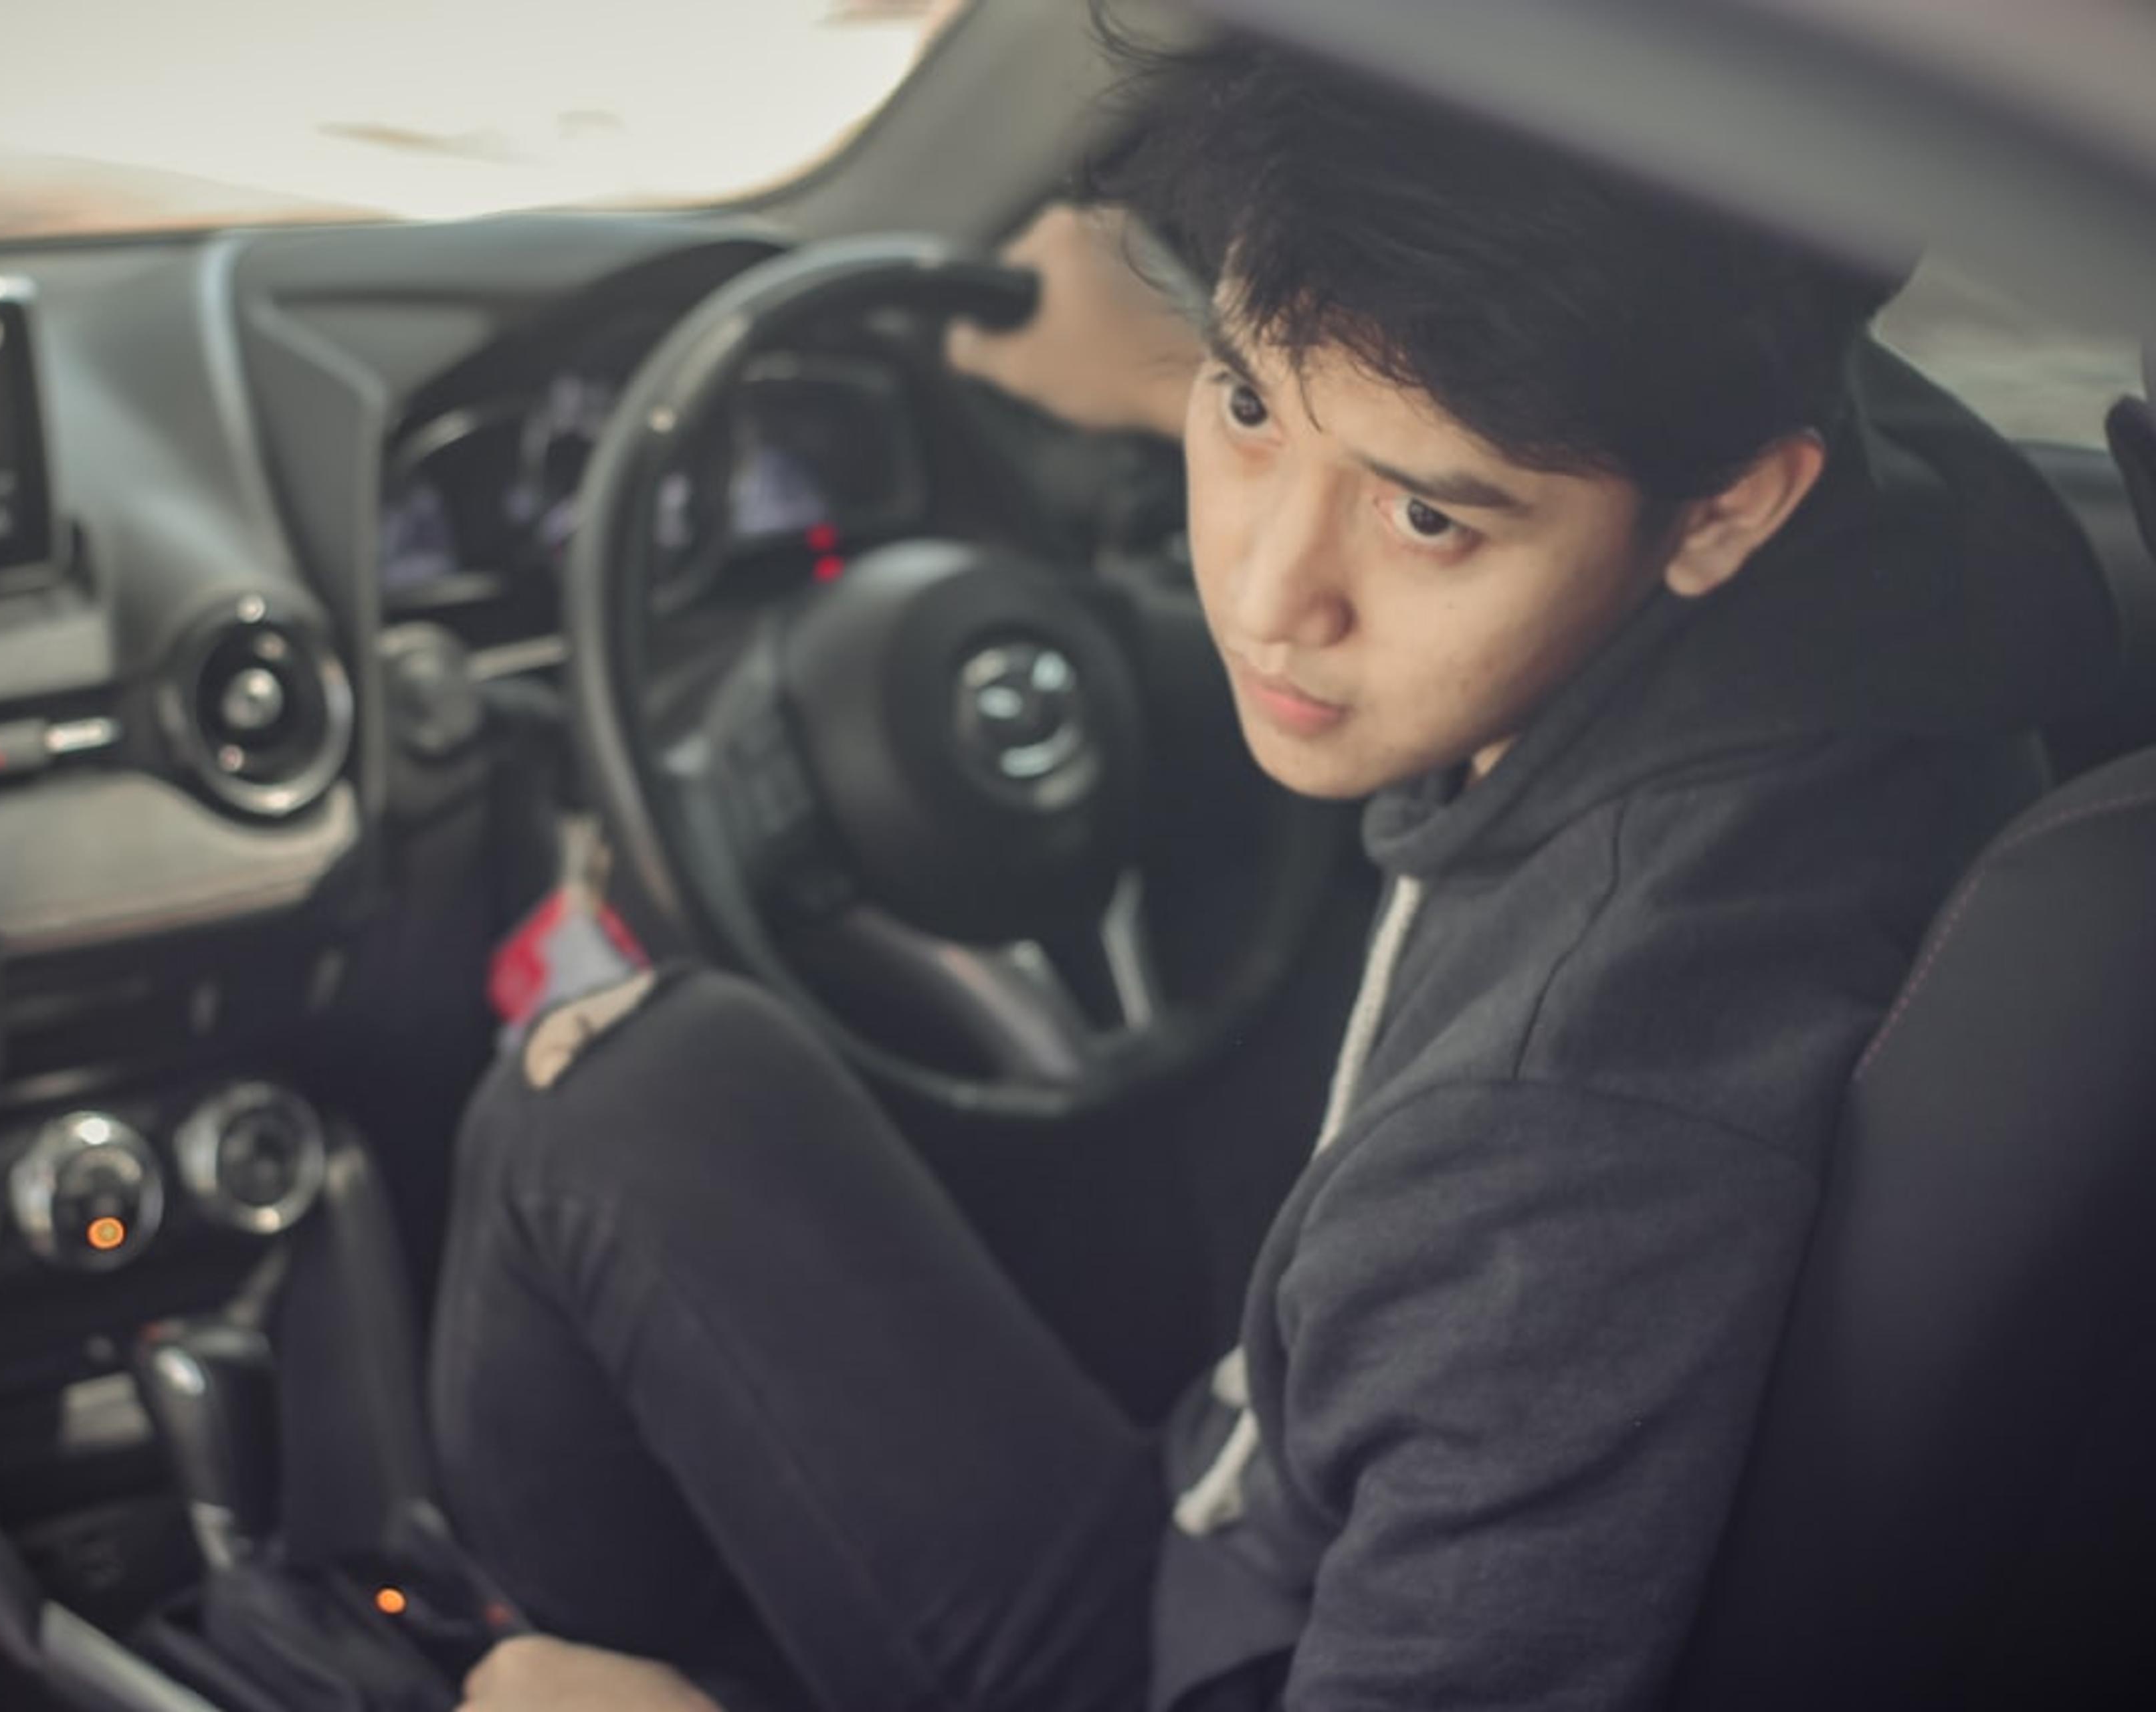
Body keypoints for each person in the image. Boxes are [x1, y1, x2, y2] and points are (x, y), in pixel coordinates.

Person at [437, 30, 2119, 1712]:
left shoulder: (1563, 1152)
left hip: (1198, 1652)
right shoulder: (1887, 563)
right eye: (1243, 404)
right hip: (1256, 1464)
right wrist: (1270, 399)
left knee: (590, 1102)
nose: (1266, 594)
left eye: (1427, 519)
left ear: (1729, 509)